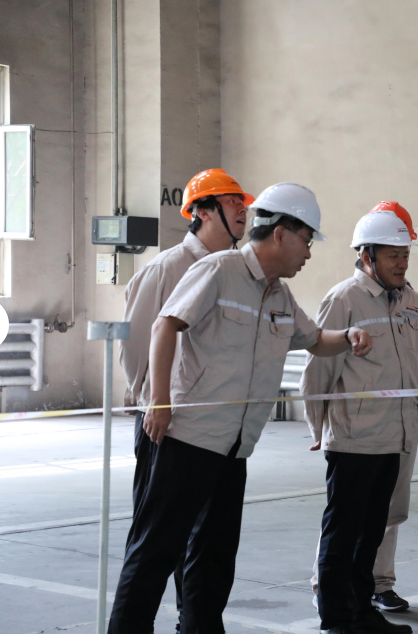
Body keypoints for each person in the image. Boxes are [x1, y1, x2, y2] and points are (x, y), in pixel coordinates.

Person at [108, 183, 372, 634]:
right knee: (155, 553)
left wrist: (347, 337)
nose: (308, 252)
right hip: (187, 438)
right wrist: (159, 402)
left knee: (214, 560)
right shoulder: (218, 270)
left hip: (235, 450)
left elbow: (314, 340)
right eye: (307, 240)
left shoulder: (279, 295)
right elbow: (164, 326)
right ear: (281, 234)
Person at [118, 168, 252, 631]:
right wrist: (155, 403)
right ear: (203, 211)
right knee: (160, 539)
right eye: (231, 201)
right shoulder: (167, 268)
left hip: (217, 429)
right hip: (167, 424)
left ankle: (195, 622)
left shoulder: (234, 271)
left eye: (242, 202)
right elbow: (137, 345)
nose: (243, 209)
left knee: (211, 542)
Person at [302, 204, 418, 634]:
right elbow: (318, 371)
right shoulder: (344, 299)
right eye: (393, 254)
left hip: (395, 436)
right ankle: (335, 618)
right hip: (354, 438)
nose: (402, 263)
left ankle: (362, 611)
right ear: (366, 255)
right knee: (343, 532)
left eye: (405, 254)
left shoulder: (413, 301)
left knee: (372, 531)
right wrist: (318, 426)